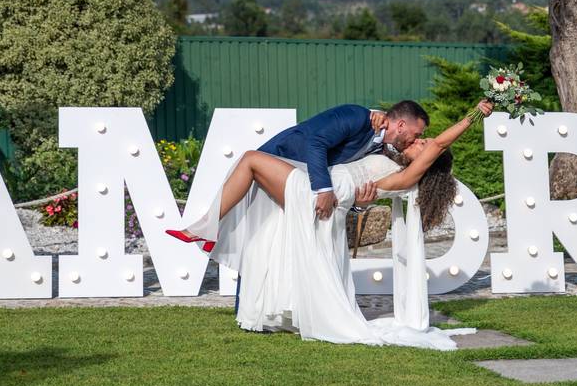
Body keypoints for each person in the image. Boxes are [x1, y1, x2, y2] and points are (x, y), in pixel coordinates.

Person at [167, 99, 493, 349]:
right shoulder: (389, 156)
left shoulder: (410, 172)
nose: (420, 142)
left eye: (422, 144)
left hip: (323, 192)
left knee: (251, 159)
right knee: (268, 225)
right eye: (419, 137)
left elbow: (438, 145)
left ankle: (205, 229)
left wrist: (475, 113)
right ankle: (211, 233)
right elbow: (365, 161)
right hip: (329, 191)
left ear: (427, 162)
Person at [257, 100, 430, 221]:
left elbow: (347, 181)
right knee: (256, 237)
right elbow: (316, 142)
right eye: (417, 135)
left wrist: (360, 205)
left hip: (301, 194)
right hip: (277, 163)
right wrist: (324, 190)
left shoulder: (379, 150)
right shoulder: (357, 116)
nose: (416, 140)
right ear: (400, 125)